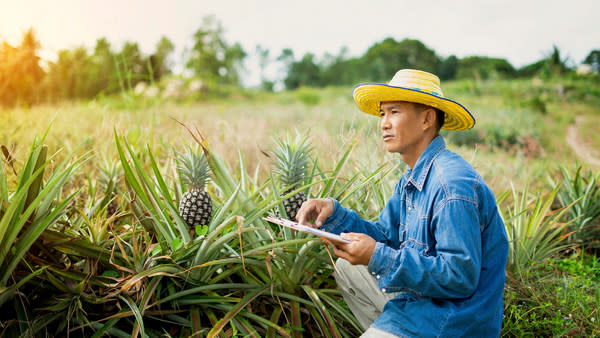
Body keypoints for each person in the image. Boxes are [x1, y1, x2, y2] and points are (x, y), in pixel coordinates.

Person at [296, 69, 509, 337]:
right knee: (349, 266)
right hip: (422, 303)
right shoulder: (412, 177)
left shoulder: (451, 185)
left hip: (453, 322)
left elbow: (459, 277)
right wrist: (334, 214)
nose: (384, 123)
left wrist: (378, 255)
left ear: (427, 119)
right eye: (383, 114)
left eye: (395, 112)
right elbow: (386, 237)